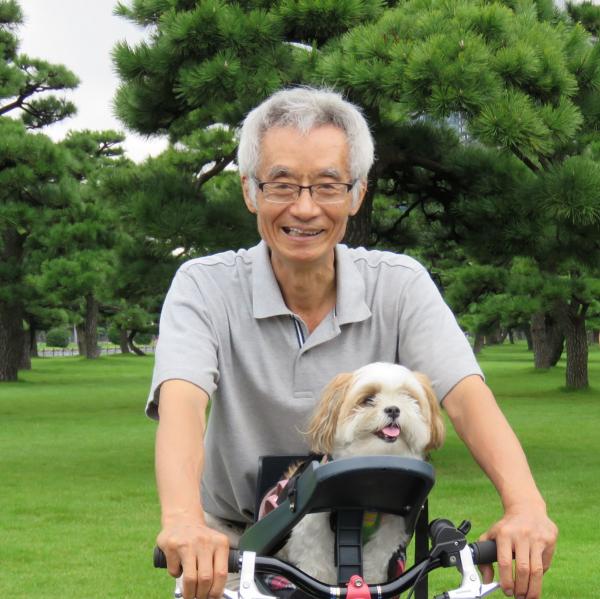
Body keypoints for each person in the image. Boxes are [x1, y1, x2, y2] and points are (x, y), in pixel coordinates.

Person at [148, 87, 557, 599]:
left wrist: (524, 506)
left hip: (369, 541)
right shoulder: (204, 285)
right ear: (250, 190)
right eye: (281, 184)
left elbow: (467, 398)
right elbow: (182, 402)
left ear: (358, 192)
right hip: (234, 541)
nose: (305, 208)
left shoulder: (401, 283)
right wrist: (184, 520)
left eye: (327, 185)